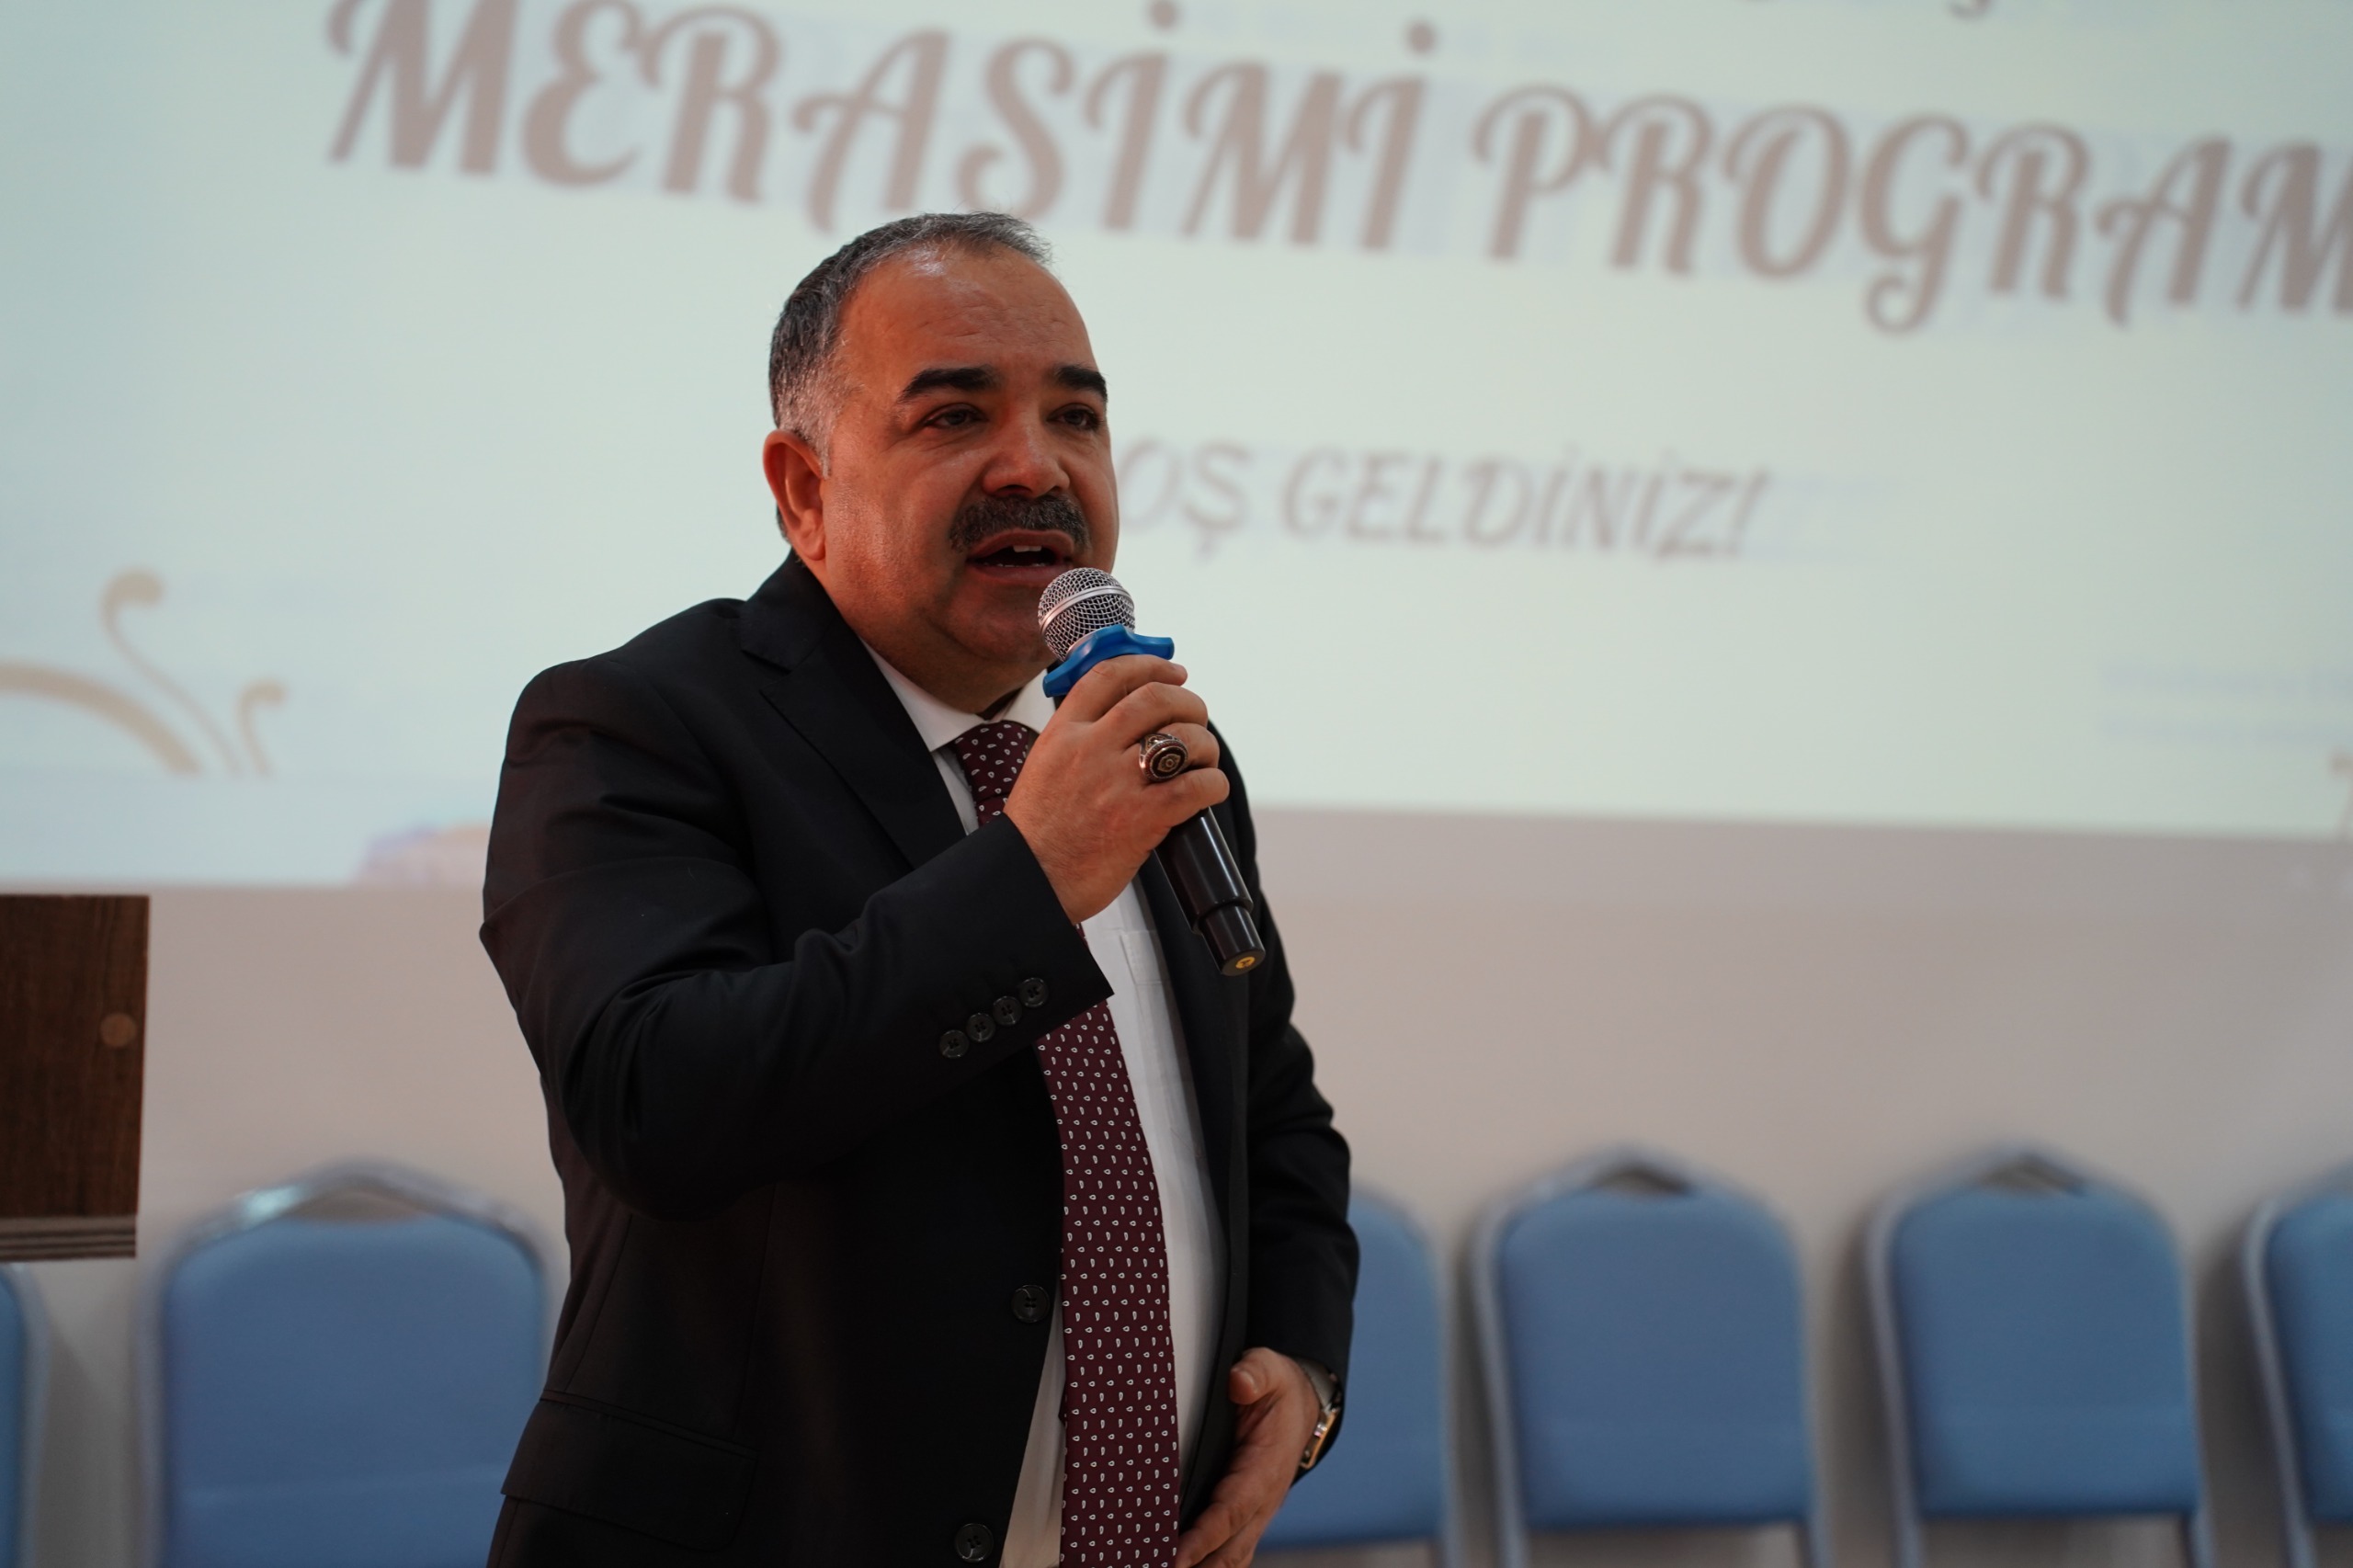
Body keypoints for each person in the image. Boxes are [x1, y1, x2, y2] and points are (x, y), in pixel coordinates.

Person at [478, 211, 1357, 1568]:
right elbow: (655, 1101)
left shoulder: (1156, 751)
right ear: (804, 488)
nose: (1036, 466)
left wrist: (1299, 1368)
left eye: (1076, 417)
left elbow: (1272, 1114)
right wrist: (1030, 875)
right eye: (955, 416)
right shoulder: (634, 724)